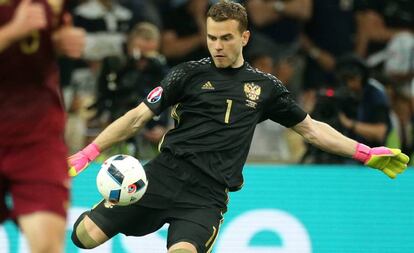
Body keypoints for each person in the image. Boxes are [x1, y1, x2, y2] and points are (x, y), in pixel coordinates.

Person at [68, 1, 409, 253]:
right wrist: (89, 151)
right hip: (159, 178)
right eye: (211, 37)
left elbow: (312, 129)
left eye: (226, 38)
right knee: (83, 236)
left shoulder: (266, 88)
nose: (217, 45)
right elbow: (137, 116)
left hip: (205, 197)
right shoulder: (186, 74)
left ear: (244, 37)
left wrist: (365, 153)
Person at [0, 0, 85, 253]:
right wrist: (12, 32)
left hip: (37, 137)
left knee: (47, 248)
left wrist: (61, 41)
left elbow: (52, 35)